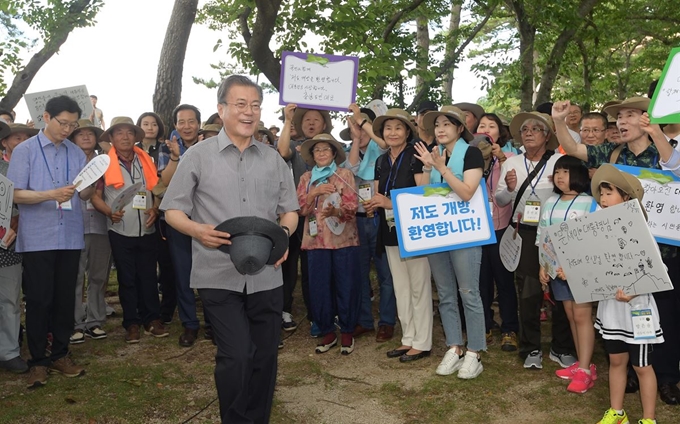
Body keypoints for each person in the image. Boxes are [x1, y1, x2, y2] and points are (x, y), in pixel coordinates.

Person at [161, 74, 299, 424]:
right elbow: (172, 209)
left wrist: (282, 236)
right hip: (216, 271)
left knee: (265, 357)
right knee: (237, 355)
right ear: (221, 109)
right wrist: (197, 231)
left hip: (267, 274)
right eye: (240, 104)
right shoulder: (197, 156)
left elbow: (291, 210)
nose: (249, 112)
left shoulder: (273, 159)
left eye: (255, 105)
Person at [553, 98, 680, 405]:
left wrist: (657, 133)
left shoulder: (663, 148)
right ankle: (633, 374)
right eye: (619, 117)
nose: (621, 121)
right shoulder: (612, 152)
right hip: (621, 250)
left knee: (667, 315)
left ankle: (666, 377)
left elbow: (673, 164)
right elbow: (574, 149)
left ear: (646, 118)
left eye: (629, 115)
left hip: (665, 250)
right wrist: (559, 121)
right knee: (625, 312)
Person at [8, 95, 95, 388]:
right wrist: (50, 194)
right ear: (46, 117)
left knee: (64, 298)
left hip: (69, 235)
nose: (67, 129)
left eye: (72, 124)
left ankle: (60, 354)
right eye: (63, 123)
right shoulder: (25, 151)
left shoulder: (76, 153)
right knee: (38, 299)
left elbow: (81, 195)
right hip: (38, 237)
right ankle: (37, 361)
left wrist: (89, 185)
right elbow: (16, 194)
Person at [495, 111, 576, 370]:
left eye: (535, 128)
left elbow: (575, 192)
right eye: (524, 129)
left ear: (547, 135)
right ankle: (530, 348)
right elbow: (500, 200)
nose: (528, 132)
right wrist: (508, 188)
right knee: (528, 291)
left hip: (559, 233)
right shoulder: (511, 163)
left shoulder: (561, 161)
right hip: (526, 232)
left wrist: (560, 184)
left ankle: (562, 347)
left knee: (563, 292)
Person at [413, 106, 486, 379]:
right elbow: (423, 192)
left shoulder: (472, 152)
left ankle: (475, 352)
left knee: (469, 292)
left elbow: (467, 192)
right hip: (438, 232)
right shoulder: (434, 154)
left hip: (466, 232)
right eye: (437, 125)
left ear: (459, 128)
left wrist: (442, 168)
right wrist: (427, 166)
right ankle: (454, 347)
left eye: (447, 124)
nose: (440, 129)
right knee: (445, 292)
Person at [591, 164, 662, 424]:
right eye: (601, 194)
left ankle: (648, 418)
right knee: (616, 361)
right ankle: (617, 412)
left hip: (637, 311)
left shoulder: (642, 232)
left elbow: (658, 272)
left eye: (609, 193)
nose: (603, 199)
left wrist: (634, 292)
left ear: (627, 198)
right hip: (612, 311)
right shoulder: (597, 232)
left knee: (642, 366)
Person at [364, 108, 432, 363]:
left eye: (398, 128)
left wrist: (388, 201)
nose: (392, 132)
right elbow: (378, 192)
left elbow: (424, 193)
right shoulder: (382, 161)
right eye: (388, 128)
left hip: (414, 230)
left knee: (419, 287)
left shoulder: (415, 156)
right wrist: (373, 202)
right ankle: (408, 339)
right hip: (389, 230)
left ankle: (422, 342)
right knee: (401, 287)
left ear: (407, 131)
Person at [91, 117, 167, 343]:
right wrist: (108, 212)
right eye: (119, 133)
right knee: (127, 278)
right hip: (120, 228)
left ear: (135, 137)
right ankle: (131, 323)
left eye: (129, 133)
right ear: (111, 138)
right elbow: (95, 195)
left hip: (147, 227)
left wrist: (155, 208)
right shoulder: (103, 162)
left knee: (148, 276)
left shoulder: (146, 160)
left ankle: (152, 319)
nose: (125, 137)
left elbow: (156, 190)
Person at [536, 156, 599, 393]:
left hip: (581, 269)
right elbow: (543, 235)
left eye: (566, 171)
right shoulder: (550, 201)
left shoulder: (590, 203)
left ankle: (584, 369)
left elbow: (594, 239)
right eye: (558, 171)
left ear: (579, 175)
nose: (561, 176)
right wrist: (543, 265)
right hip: (556, 270)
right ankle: (582, 365)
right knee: (571, 315)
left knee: (582, 316)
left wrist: (574, 266)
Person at [297, 133, 360, 355]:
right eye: (317, 150)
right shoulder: (306, 179)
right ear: (312, 156)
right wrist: (314, 192)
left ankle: (347, 331)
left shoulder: (344, 175)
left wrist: (337, 211)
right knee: (318, 287)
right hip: (315, 242)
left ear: (334, 153)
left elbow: (353, 208)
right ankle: (326, 331)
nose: (322, 153)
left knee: (346, 285)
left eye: (326, 149)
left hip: (343, 241)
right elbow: (301, 211)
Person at [158, 104, 212, 347]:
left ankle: (213, 322)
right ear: (175, 126)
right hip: (179, 220)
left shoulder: (211, 147)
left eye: (191, 121)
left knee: (211, 272)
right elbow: (165, 182)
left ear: (198, 124)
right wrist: (175, 156)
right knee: (183, 273)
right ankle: (190, 324)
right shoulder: (165, 148)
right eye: (182, 122)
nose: (187, 126)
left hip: (208, 218)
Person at [276, 104, 333, 335]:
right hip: (295, 214)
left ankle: (316, 314)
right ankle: (284, 309)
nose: (310, 123)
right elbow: (281, 152)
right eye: (306, 119)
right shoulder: (293, 146)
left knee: (313, 268)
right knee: (289, 264)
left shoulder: (331, 148)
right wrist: (288, 120)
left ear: (324, 124)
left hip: (326, 217)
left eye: (316, 119)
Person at [344, 106, 397, 343]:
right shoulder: (349, 150)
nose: (358, 129)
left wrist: (362, 121)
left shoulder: (381, 148)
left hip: (380, 218)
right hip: (357, 218)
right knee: (360, 273)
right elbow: (351, 170)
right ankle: (364, 320)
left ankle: (386, 321)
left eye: (361, 125)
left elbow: (385, 143)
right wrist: (355, 139)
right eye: (352, 125)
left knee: (386, 273)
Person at [476, 113, 519, 351]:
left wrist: (501, 158)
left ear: (499, 132)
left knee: (504, 281)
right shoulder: (471, 157)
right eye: (482, 125)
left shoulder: (510, 156)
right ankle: (484, 325)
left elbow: (512, 189)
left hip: (501, 227)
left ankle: (510, 328)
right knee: (481, 281)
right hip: (476, 229)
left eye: (491, 125)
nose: (486, 128)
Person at [67, 119, 111, 344]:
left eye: (90, 134)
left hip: (101, 224)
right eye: (80, 134)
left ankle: (95, 320)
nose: (86, 137)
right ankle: (75, 323)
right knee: (74, 276)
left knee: (98, 274)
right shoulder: (66, 160)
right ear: (72, 138)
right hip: (73, 225)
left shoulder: (104, 162)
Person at [135, 112, 176, 325]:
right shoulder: (132, 149)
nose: (150, 127)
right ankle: (142, 309)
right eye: (145, 123)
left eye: (153, 124)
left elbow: (166, 179)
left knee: (166, 263)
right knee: (144, 266)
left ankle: (167, 308)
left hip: (161, 210)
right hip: (136, 211)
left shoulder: (165, 149)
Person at [0, 120, 25, 374]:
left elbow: (23, 204)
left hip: (7, 246)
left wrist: (16, 221)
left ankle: (8, 352)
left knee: (9, 300)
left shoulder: (10, 171)